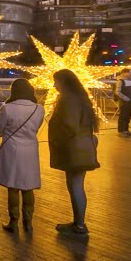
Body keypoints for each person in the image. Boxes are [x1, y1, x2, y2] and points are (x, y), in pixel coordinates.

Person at [49, 69, 100, 236]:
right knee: (77, 185)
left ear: (64, 82)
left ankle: (79, 225)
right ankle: (78, 222)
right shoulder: (80, 97)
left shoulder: (68, 99)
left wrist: (57, 137)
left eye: (56, 81)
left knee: (75, 185)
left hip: (73, 148)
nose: (54, 85)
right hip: (84, 146)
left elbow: (69, 124)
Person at [0, 78, 45, 234]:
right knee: (28, 187)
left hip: (11, 150)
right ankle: (28, 223)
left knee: (13, 187)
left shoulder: (7, 108)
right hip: (30, 150)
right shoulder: (38, 109)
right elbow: (36, 127)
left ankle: (13, 222)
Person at [115, 68, 131, 137]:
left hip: (129, 102)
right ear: (124, 73)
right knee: (123, 116)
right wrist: (127, 99)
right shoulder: (120, 81)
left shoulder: (128, 81)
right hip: (124, 103)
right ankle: (121, 131)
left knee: (128, 116)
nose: (130, 74)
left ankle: (126, 130)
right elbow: (118, 92)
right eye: (129, 72)